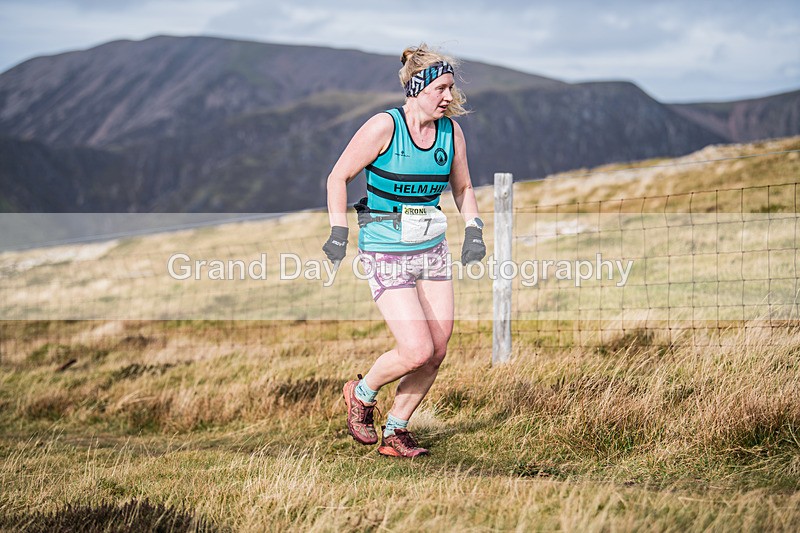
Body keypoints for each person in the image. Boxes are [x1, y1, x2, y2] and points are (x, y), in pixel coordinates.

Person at [322, 44, 486, 458]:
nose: (449, 97)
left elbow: (463, 187)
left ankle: (396, 432)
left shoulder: (451, 132)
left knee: (438, 348)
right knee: (416, 350)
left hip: (430, 249)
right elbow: (337, 177)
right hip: (384, 250)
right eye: (442, 88)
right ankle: (361, 394)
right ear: (417, 87)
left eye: (451, 88)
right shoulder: (384, 127)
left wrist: (474, 230)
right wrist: (338, 232)